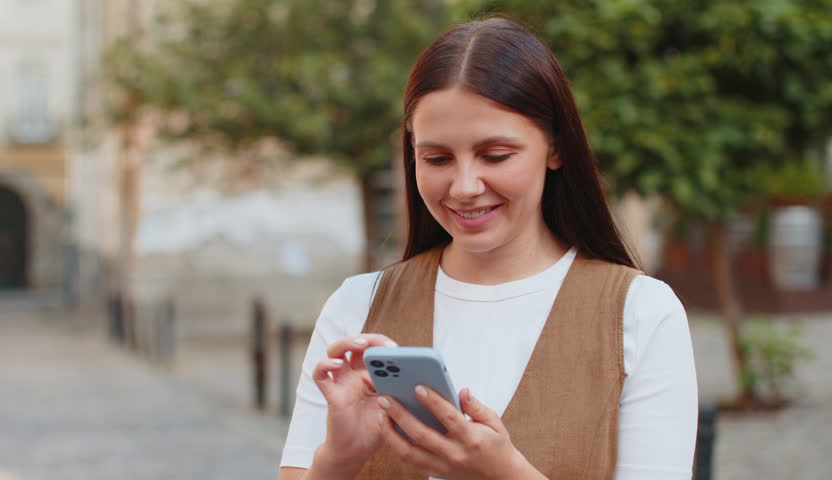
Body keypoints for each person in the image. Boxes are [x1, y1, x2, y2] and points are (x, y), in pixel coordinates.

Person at [278, 17, 697, 480]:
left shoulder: (640, 315)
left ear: (555, 147)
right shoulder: (356, 308)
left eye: (495, 155)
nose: (464, 186)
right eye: (436, 159)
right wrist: (339, 459)